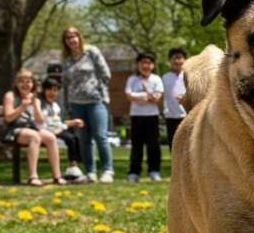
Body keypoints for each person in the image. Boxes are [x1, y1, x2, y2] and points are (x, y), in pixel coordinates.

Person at [61, 27, 114, 183]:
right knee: (83, 139)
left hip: (96, 101)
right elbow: (65, 82)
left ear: (79, 37)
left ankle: (107, 170)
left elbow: (106, 74)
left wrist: (98, 91)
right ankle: (90, 171)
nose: (72, 40)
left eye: (74, 36)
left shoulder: (91, 52)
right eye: (68, 37)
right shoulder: (67, 60)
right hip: (76, 103)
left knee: (100, 136)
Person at [1, 68, 65, 186]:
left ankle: (57, 176)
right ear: (16, 83)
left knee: (50, 137)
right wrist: (22, 106)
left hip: (32, 128)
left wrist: (36, 106)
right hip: (13, 130)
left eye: (28, 81)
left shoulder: (35, 98)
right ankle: (33, 177)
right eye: (22, 81)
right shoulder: (11, 96)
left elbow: (40, 121)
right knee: (34, 137)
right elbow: (8, 118)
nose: (25, 84)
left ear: (33, 84)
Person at [40, 76, 87, 183]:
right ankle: (71, 168)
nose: (52, 93)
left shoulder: (56, 106)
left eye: (55, 90)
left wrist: (73, 122)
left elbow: (58, 123)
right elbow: (42, 122)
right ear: (44, 90)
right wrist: (53, 131)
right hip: (46, 131)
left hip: (57, 129)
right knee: (70, 139)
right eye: (49, 90)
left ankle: (73, 166)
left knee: (75, 138)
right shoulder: (40, 105)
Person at [125, 51, 164, 182]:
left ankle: (154, 170)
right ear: (138, 64)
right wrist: (147, 97)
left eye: (149, 63)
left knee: (153, 145)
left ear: (153, 65)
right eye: (143, 62)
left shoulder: (156, 79)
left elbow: (156, 99)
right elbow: (129, 96)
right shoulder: (132, 79)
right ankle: (134, 172)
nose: (146, 65)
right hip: (136, 116)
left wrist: (141, 95)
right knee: (137, 146)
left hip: (152, 116)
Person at [161, 47, 188, 150]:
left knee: (187, 145)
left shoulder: (189, 76)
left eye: (180, 58)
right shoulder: (164, 77)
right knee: (173, 145)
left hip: (186, 115)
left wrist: (184, 98)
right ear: (170, 60)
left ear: (185, 60)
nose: (177, 61)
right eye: (174, 58)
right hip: (170, 117)